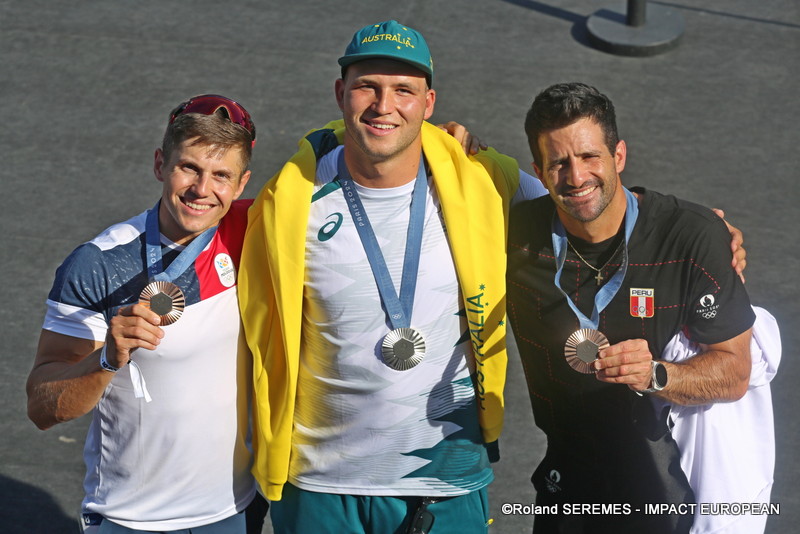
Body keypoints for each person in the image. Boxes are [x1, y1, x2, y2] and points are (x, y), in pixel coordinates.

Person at [238, 20, 547, 534]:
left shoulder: (485, 181)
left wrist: (698, 232)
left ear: (428, 104)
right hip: (319, 486)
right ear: (341, 94)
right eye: (367, 87)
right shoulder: (289, 200)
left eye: (404, 90)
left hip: (446, 480)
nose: (385, 105)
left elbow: (586, 208)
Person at [506, 82, 764, 534]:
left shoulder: (692, 237)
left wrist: (655, 375)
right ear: (539, 171)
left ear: (618, 156)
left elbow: (734, 370)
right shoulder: (515, 236)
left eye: (590, 157)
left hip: (664, 488)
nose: (576, 176)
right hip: (567, 483)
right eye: (559, 163)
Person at [26, 95, 268, 534]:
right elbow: (43, 407)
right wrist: (106, 360)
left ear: (241, 183)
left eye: (221, 176)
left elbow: (354, 176)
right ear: (161, 164)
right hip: (131, 520)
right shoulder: (99, 261)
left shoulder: (253, 233)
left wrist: (433, 149)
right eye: (189, 167)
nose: (202, 189)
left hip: (235, 511)